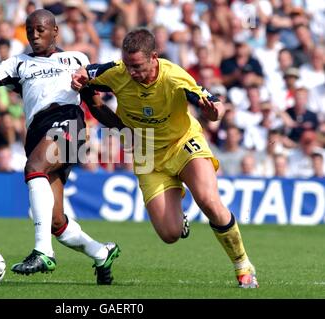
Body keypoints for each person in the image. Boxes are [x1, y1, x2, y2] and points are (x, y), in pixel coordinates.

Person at [72, 28, 259, 288]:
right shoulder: (116, 72)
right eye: (127, 65)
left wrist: (213, 112)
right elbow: (86, 74)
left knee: (208, 200)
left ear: (154, 57)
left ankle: (242, 265)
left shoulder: (175, 77)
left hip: (183, 143)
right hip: (146, 153)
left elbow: (216, 106)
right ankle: (177, 215)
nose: (131, 72)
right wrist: (81, 82)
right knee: (169, 234)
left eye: (137, 66)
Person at [0, 9, 120, 285]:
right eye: (29, 30)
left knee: (35, 167)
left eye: (40, 29)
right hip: (40, 133)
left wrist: (124, 128)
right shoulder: (19, 63)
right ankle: (101, 253)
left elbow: (95, 105)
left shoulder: (76, 59)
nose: (34, 35)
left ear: (55, 31)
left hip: (69, 124)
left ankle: (43, 252)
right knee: (56, 222)